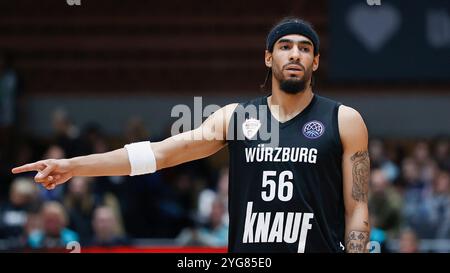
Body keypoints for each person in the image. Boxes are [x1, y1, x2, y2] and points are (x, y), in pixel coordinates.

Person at [11, 17, 370, 253]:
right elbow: (159, 154)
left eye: (305, 48)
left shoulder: (344, 120)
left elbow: (357, 207)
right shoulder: (236, 117)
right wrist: (74, 165)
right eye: (285, 46)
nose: (295, 54)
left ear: (316, 62)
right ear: (267, 58)